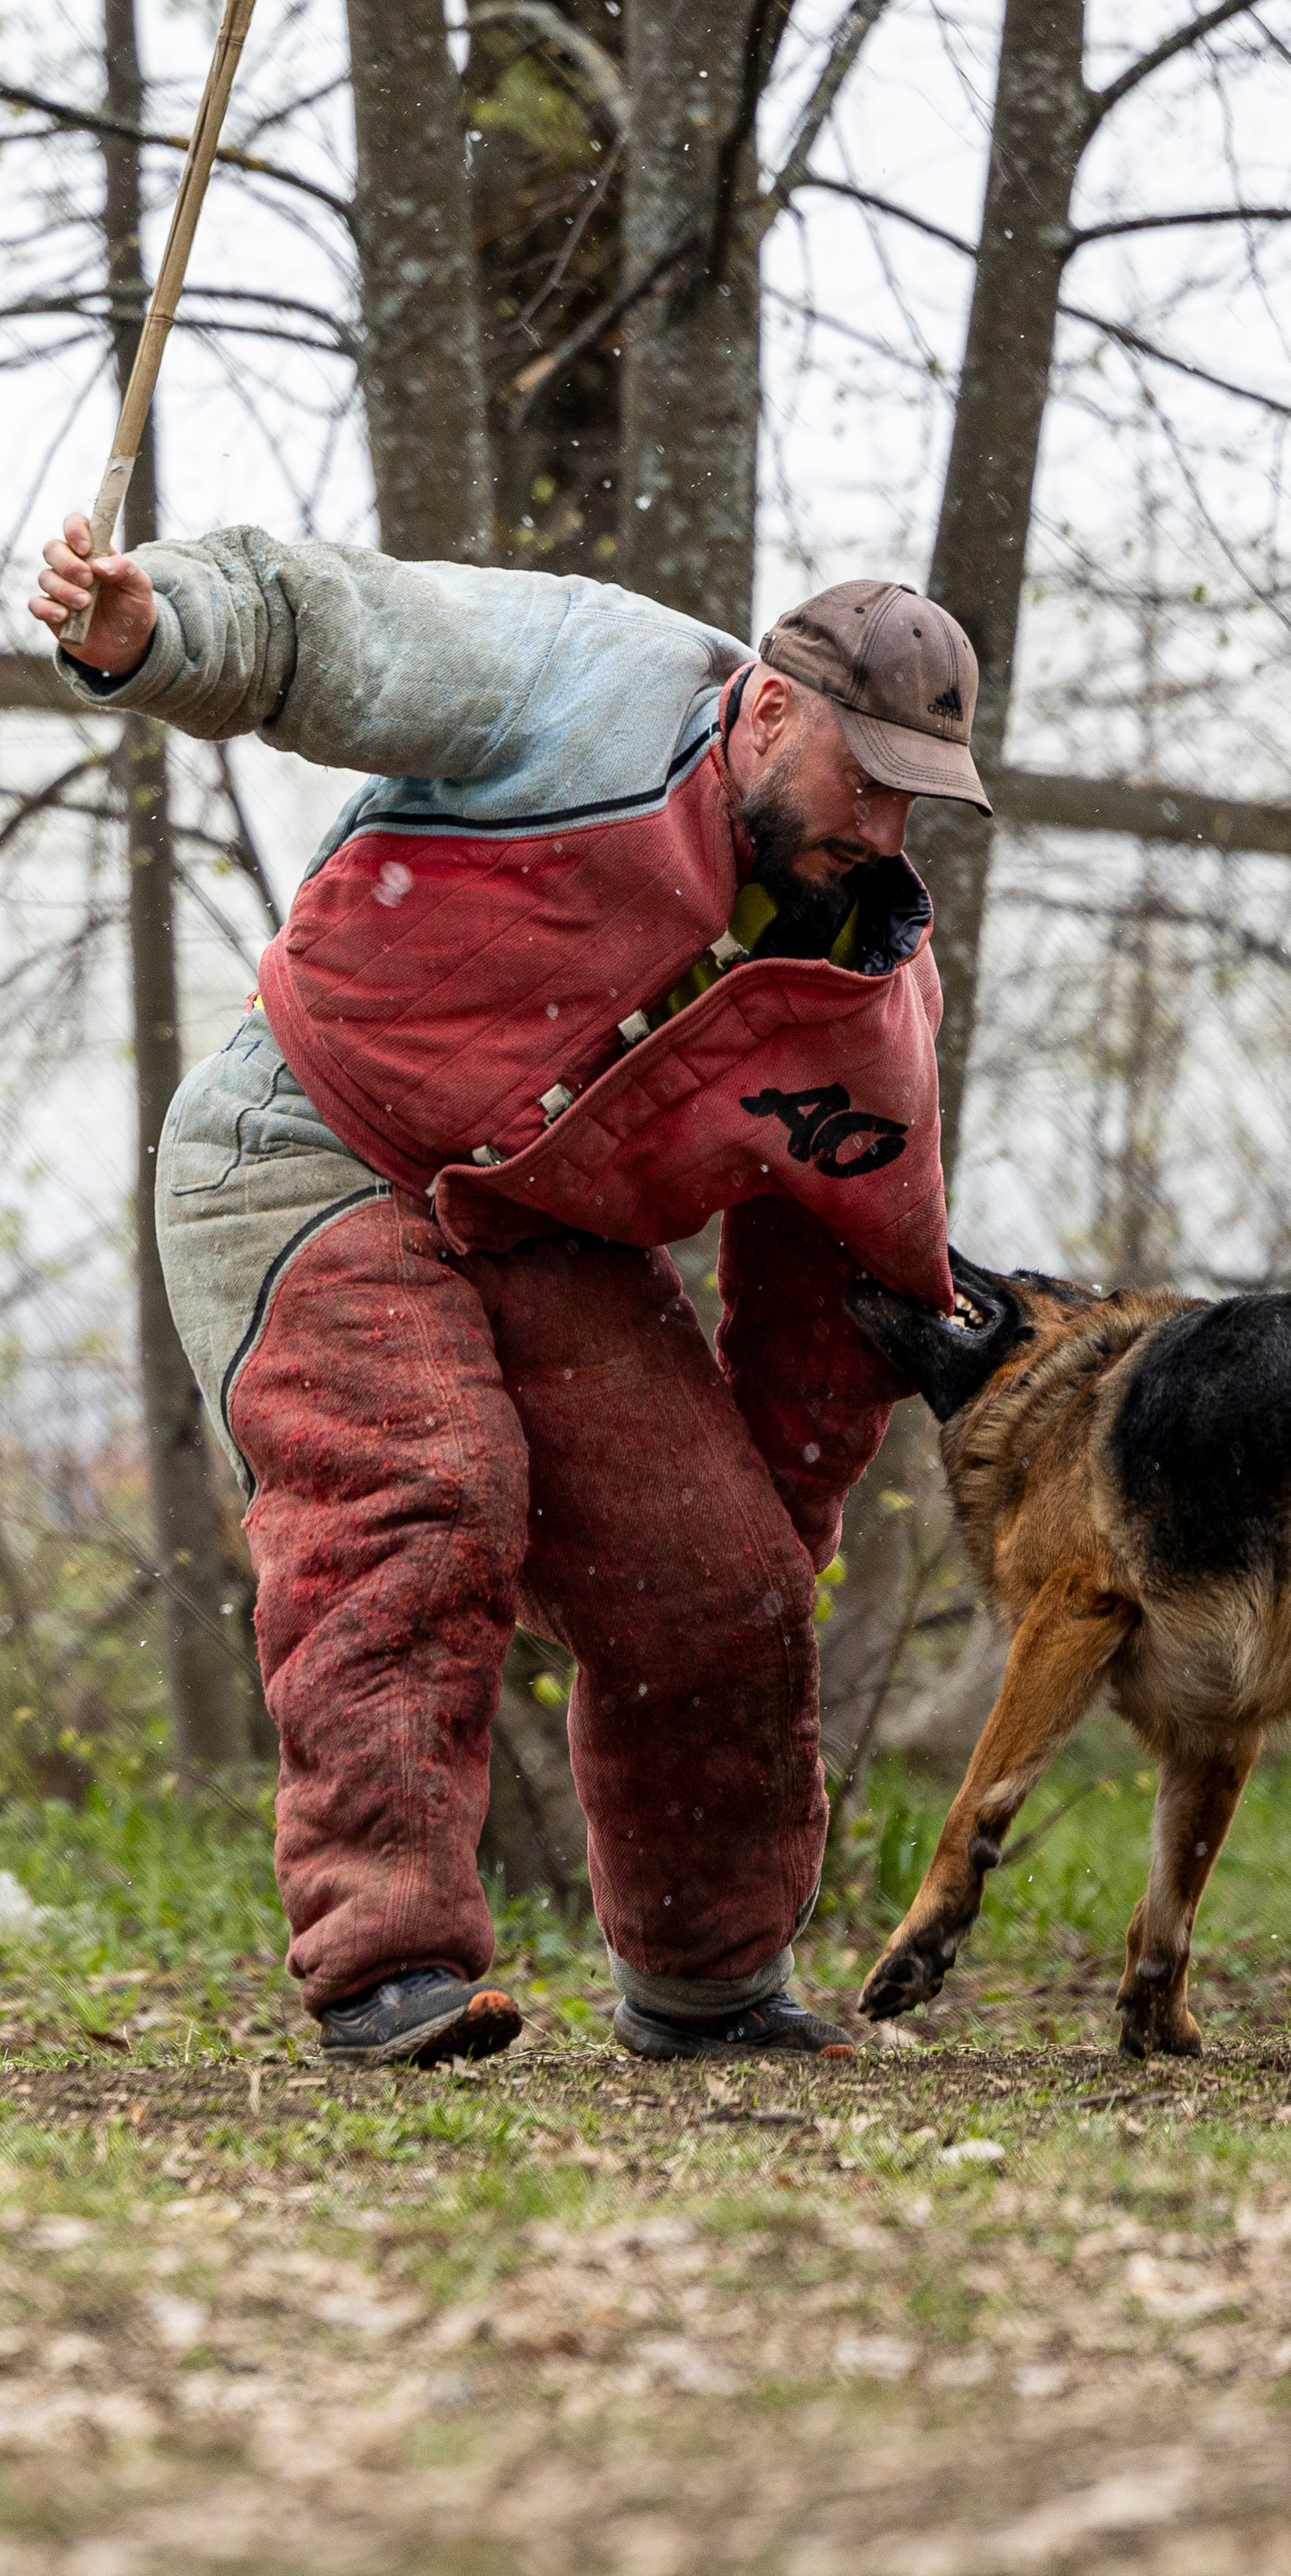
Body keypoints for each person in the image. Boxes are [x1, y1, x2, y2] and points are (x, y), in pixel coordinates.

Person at [32, 514, 988, 2067]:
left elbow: (834, 1307)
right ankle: (386, 1962)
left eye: (913, 800)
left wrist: (760, 1544)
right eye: (858, 779)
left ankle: (709, 1983)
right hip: (308, 1136)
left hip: (543, 1223)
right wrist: (152, 635)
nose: (880, 830)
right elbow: (332, 627)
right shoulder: (587, 677)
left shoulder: (872, 1018)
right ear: (765, 711)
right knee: (425, 1485)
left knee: (725, 1584)